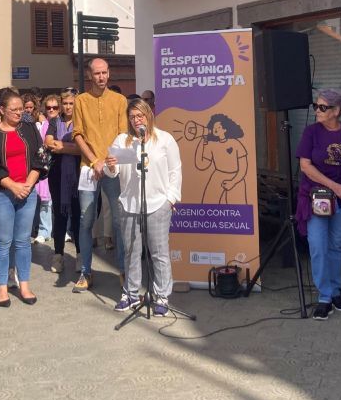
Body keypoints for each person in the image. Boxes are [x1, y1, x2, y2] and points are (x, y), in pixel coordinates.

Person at [104, 99, 181, 315]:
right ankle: (130, 293)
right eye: (132, 117)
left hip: (158, 204)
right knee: (131, 252)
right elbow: (114, 172)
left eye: (140, 116)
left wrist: (171, 199)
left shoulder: (164, 139)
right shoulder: (122, 140)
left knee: (159, 253)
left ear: (149, 115)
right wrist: (110, 166)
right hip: (130, 204)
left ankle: (162, 296)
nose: (137, 120)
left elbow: (175, 171)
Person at [294, 89, 341, 321]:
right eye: (316, 106)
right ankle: (324, 295)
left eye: (323, 107)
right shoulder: (311, 132)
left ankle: (335, 291)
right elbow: (305, 166)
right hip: (319, 198)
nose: (317, 110)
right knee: (317, 244)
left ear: (337, 111)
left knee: (336, 245)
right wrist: (334, 186)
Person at [0, 88, 46, 306]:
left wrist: (28, 183)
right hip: (2, 193)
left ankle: (24, 285)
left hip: (27, 190)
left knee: (23, 242)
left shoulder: (29, 129)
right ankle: (1, 289)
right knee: (3, 242)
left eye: (21, 109)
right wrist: (12, 186)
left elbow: (41, 157)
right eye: (14, 109)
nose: (19, 113)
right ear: (1, 110)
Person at [72, 58, 128, 292]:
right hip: (88, 168)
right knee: (86, 221)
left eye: (104, 73)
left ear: (109, 74)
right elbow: (78, 134)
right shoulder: (80, 101)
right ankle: (86, 271)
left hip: (113, 167)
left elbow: (123, 134)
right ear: (89, 75)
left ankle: (124, 271)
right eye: (97, 73)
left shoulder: (120, 100)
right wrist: (94, 160)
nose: (101, 77)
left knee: (118, 221)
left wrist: (109, 161)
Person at [44, 90, 82, 274]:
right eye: (64, 103)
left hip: (77, 174)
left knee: (78, 215)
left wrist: (62, 146)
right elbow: (48, 142)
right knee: (59, 214)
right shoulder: (54, 122)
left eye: (71, 103)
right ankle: (58, 254)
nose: (67, 107)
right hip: (57, 174)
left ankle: (81, 255)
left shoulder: (82, 122)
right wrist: (71, 147)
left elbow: (83, 149)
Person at [195, 113, 250, 204]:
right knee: (208, 203)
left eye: (219, 127)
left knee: (238, 207)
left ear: (225, 129)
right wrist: (202, 141)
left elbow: (243, 168)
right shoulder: (212, 144)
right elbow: (201, 165)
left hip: (236, 177)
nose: (215, 129)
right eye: (214, 127)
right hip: (217, 176)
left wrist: (233, 182)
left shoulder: (236, 143)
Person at [32, 94, 59, 243]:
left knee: (61, 200)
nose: (51, 110)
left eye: (55, 107)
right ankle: (44, 230)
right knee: (44, 200)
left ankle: (63, 230)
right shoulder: (40, 125)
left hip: (60, 163)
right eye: (48, 107)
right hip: (46, 166)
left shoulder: (62, 123)